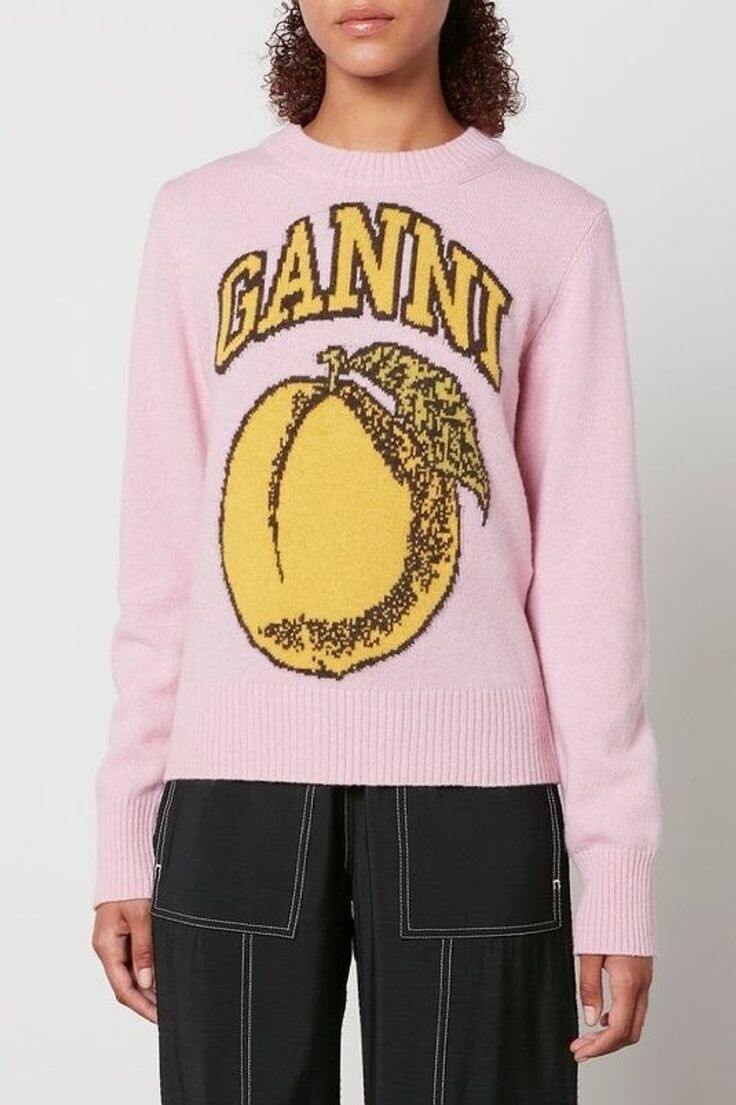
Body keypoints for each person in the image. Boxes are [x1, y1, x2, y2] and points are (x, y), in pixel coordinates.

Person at [90, 2, 662, 1102]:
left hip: (480, 792)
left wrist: (617, 867)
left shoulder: (555, 226)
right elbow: (161, 553)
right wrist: (125, 826)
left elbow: (590, 575)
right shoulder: (199, 217)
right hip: (236, 787)